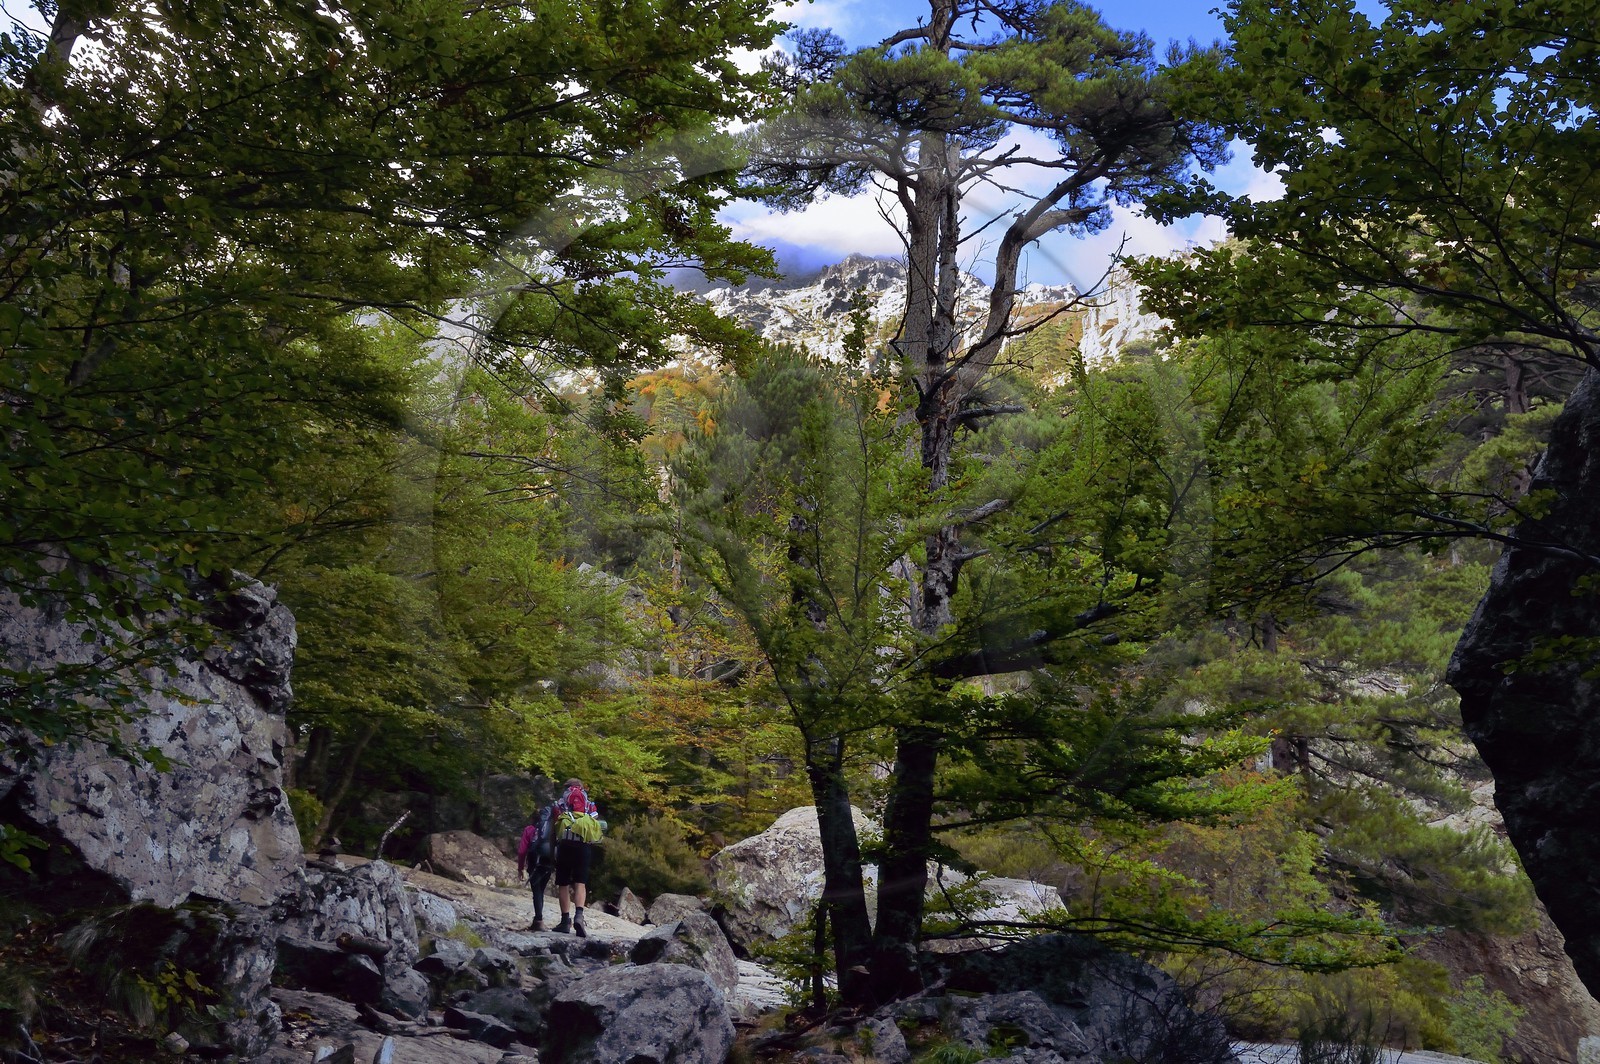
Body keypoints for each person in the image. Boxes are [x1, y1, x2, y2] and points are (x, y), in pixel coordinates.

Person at [551, 777, 598, 936]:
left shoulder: (559, 803)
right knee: (580, 883)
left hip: (564, 845)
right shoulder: (590, 804)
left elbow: (554, 824)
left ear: (567, 788)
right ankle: (579, 915)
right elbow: (595, 823)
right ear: (581, 788)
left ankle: (565, 921)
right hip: (583, 846)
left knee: (563, 883)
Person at [516, 800, 557, 931]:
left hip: (534, 861)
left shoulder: (529, 830)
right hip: (548, 861)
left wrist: (520, 868)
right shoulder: (550, 832)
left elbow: (522, 850)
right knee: (541, 890)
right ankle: (538, 919)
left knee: (537, 891)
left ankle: (538, 920)